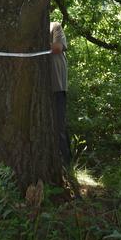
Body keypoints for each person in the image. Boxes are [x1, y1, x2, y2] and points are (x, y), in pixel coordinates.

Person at [50, 19, 72, 167]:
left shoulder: (55, 26)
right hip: (41, 89)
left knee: (58, 126)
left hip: (57, 86)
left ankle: (66, 164)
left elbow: (57, 47)